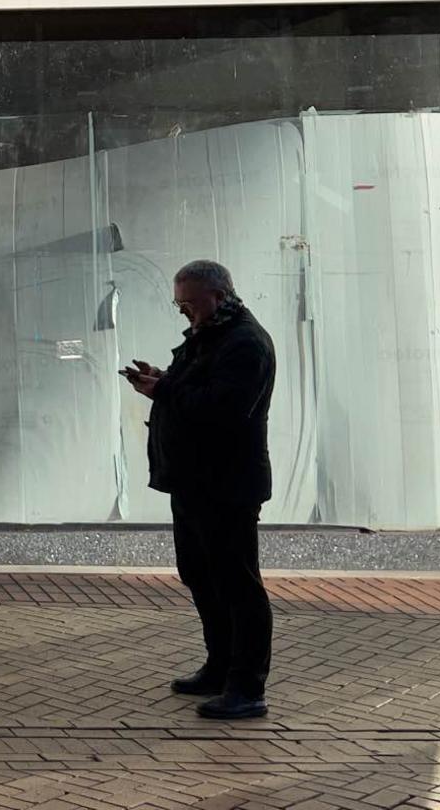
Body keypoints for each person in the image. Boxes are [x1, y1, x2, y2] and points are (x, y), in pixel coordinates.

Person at [121, 260, 277, 721]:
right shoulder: (208, 335)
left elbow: (225, 409)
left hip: (226, 484)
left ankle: (247, 687)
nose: (184, 312)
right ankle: (219, 666)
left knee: (237, 584)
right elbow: (194, 389)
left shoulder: (245, 342)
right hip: (192, 481)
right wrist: (162, 380)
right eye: (179, 304)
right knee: (200, 575)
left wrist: (162, 393)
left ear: (219, 294)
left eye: (189, 303)